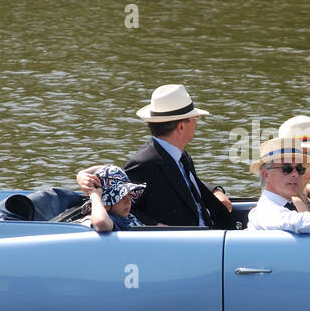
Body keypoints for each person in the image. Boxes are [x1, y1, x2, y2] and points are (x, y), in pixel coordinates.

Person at [76, 84, 234, 229]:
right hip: (185, 245)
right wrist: (156, 226)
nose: (197, 124)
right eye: (194, 119)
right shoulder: (144, 163)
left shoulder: (179, 155)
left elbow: (184, 184)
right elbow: (122, 206)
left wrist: (215, 191)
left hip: (208, 233)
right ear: (181, 126)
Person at [79, 165, 146, 232]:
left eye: (129, 194)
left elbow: (110, 166)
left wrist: (81, 173)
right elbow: (102, 224)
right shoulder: (111, 218)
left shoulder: (125, 216)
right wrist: (95, 195)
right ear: (104, 202)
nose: (128, 201)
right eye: (122, 196)